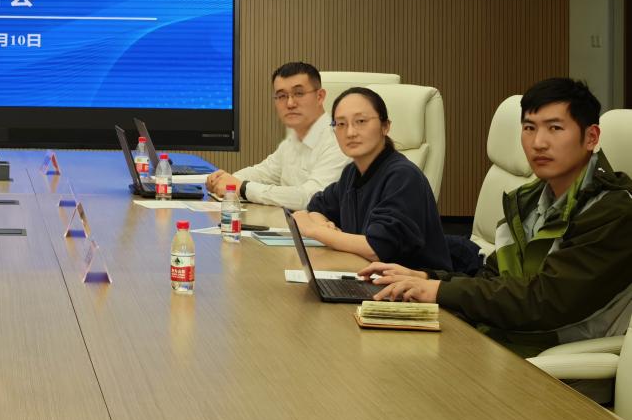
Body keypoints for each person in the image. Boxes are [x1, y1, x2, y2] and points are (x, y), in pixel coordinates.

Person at [363, 78, 632, 357]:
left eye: (555, 128)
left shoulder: (613, 210)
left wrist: (438, 290)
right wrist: (425, 277)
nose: (538, 143)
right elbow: (492, 279)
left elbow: (544, 301)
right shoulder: (530, 199)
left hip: (550, 359)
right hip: (502, 337)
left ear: (591, 137)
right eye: (529, 128)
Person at [292, 87, 451, 270]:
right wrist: (324, 226)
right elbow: (317, 207)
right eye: (341, 124)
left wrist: (315, 230)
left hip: (412, 283)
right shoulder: (352, 172)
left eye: (360, 121)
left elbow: (377, 248)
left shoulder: (403, 176)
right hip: (366, 274)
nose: (350, 132)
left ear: (385, 126)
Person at [206, 62, 348, 209]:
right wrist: (225, 180)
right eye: (282, 96)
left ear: (320, 96)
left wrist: (242, 187)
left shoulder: (339, 139)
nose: (290, 103)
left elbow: (312, 197)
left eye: (299, 93)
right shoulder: (294, 140)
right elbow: (263, 173)